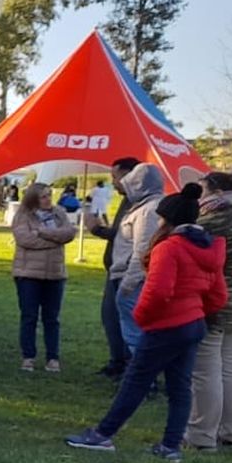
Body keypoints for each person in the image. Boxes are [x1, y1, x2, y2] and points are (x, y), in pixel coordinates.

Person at [67, 184, 227, 462]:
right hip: (193, 323)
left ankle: (103, 434)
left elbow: (158, 291)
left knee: (136, 380)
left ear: (168, 219)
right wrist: (198, 312)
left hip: (167, 325)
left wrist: (143, 318)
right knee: (180, 386)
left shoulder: (169, 248)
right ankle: (170, 446)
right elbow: (218, 294)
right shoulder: (208, 249)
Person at [186, 172, 232, 449]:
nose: (199, 196)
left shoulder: (212, 222)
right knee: (230, 368)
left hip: (217, 303)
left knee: (206, 370)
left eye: (202, 190)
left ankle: (201, 435)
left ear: (215, 191)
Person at [11, 183, 78, 373]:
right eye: (43, 196)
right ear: (33, 199)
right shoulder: (23, 216)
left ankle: (53, 357)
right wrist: (56, 240)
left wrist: (42, 232)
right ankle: (28, 356)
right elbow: (25, 240)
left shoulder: (59, 213)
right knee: (29, 316)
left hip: (55, 274)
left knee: (52, 318)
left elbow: (69, 233)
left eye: (50, 195)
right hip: (28, 274)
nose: (48, 199)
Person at [89, 158, 141, 379]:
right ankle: (118, 361)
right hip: (115, 269)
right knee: (110, 317)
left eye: (116, 177)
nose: (114, 182)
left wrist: (97, 230)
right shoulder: (127, 200)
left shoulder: (139, 204)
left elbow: (126, 236)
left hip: (127, 272)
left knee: (123, 320)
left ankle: (131, 367)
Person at [110, 163, 166, 362]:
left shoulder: (148, 211)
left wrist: (128, 283)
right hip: (134, 277)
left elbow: (143, 250)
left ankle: (141, 378)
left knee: (135, 333)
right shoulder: (147, 206)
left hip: (134, 280)